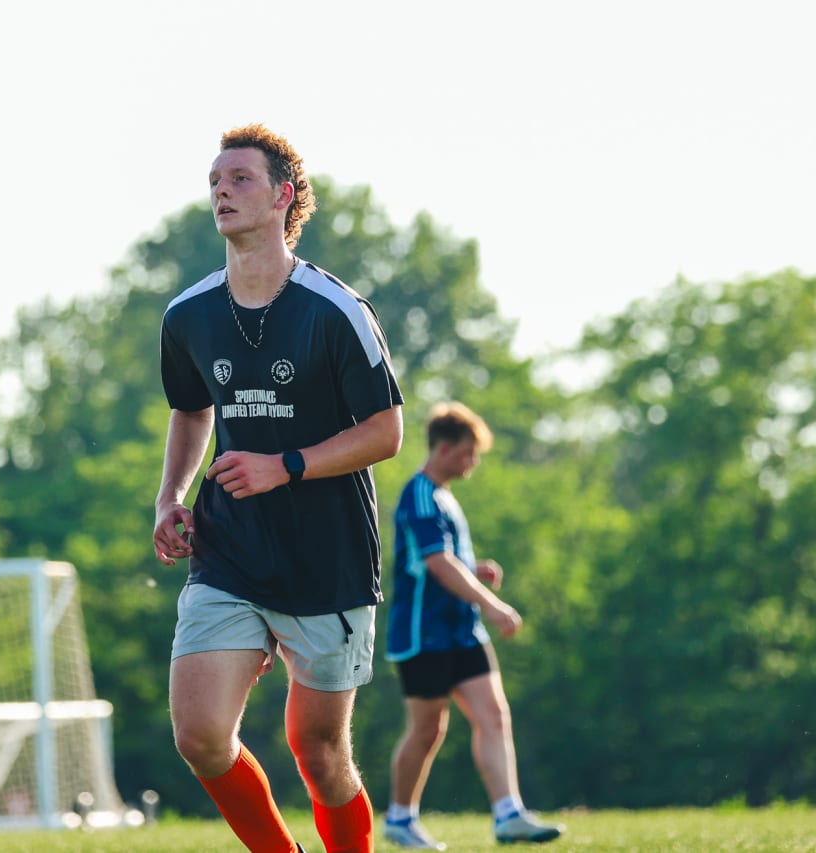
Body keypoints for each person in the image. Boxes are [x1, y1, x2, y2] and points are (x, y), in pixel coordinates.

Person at [153, 124, 404, 853]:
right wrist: (171, 495)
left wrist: (283, 464)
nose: (221, 192)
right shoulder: (188, 314)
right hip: (229, 551)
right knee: (201, 735)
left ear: (281, 197)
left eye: (239, 179)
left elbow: (385, 431)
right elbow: (192, 407)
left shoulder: (337, 310)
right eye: (214, 181)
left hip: (328, 559)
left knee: (318, 751)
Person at [383, 402, 563, 848]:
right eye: (468, 453)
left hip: (462, 631)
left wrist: (474, 568)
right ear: (444, 449)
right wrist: (494, 604)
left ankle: (508, 814)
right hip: (423, 634)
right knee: (427, 730)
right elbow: (437, 564)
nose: (473, 463)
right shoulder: (420, 494)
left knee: (494, 715)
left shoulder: (444, 496)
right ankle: (400, 819)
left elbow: (447, 562)